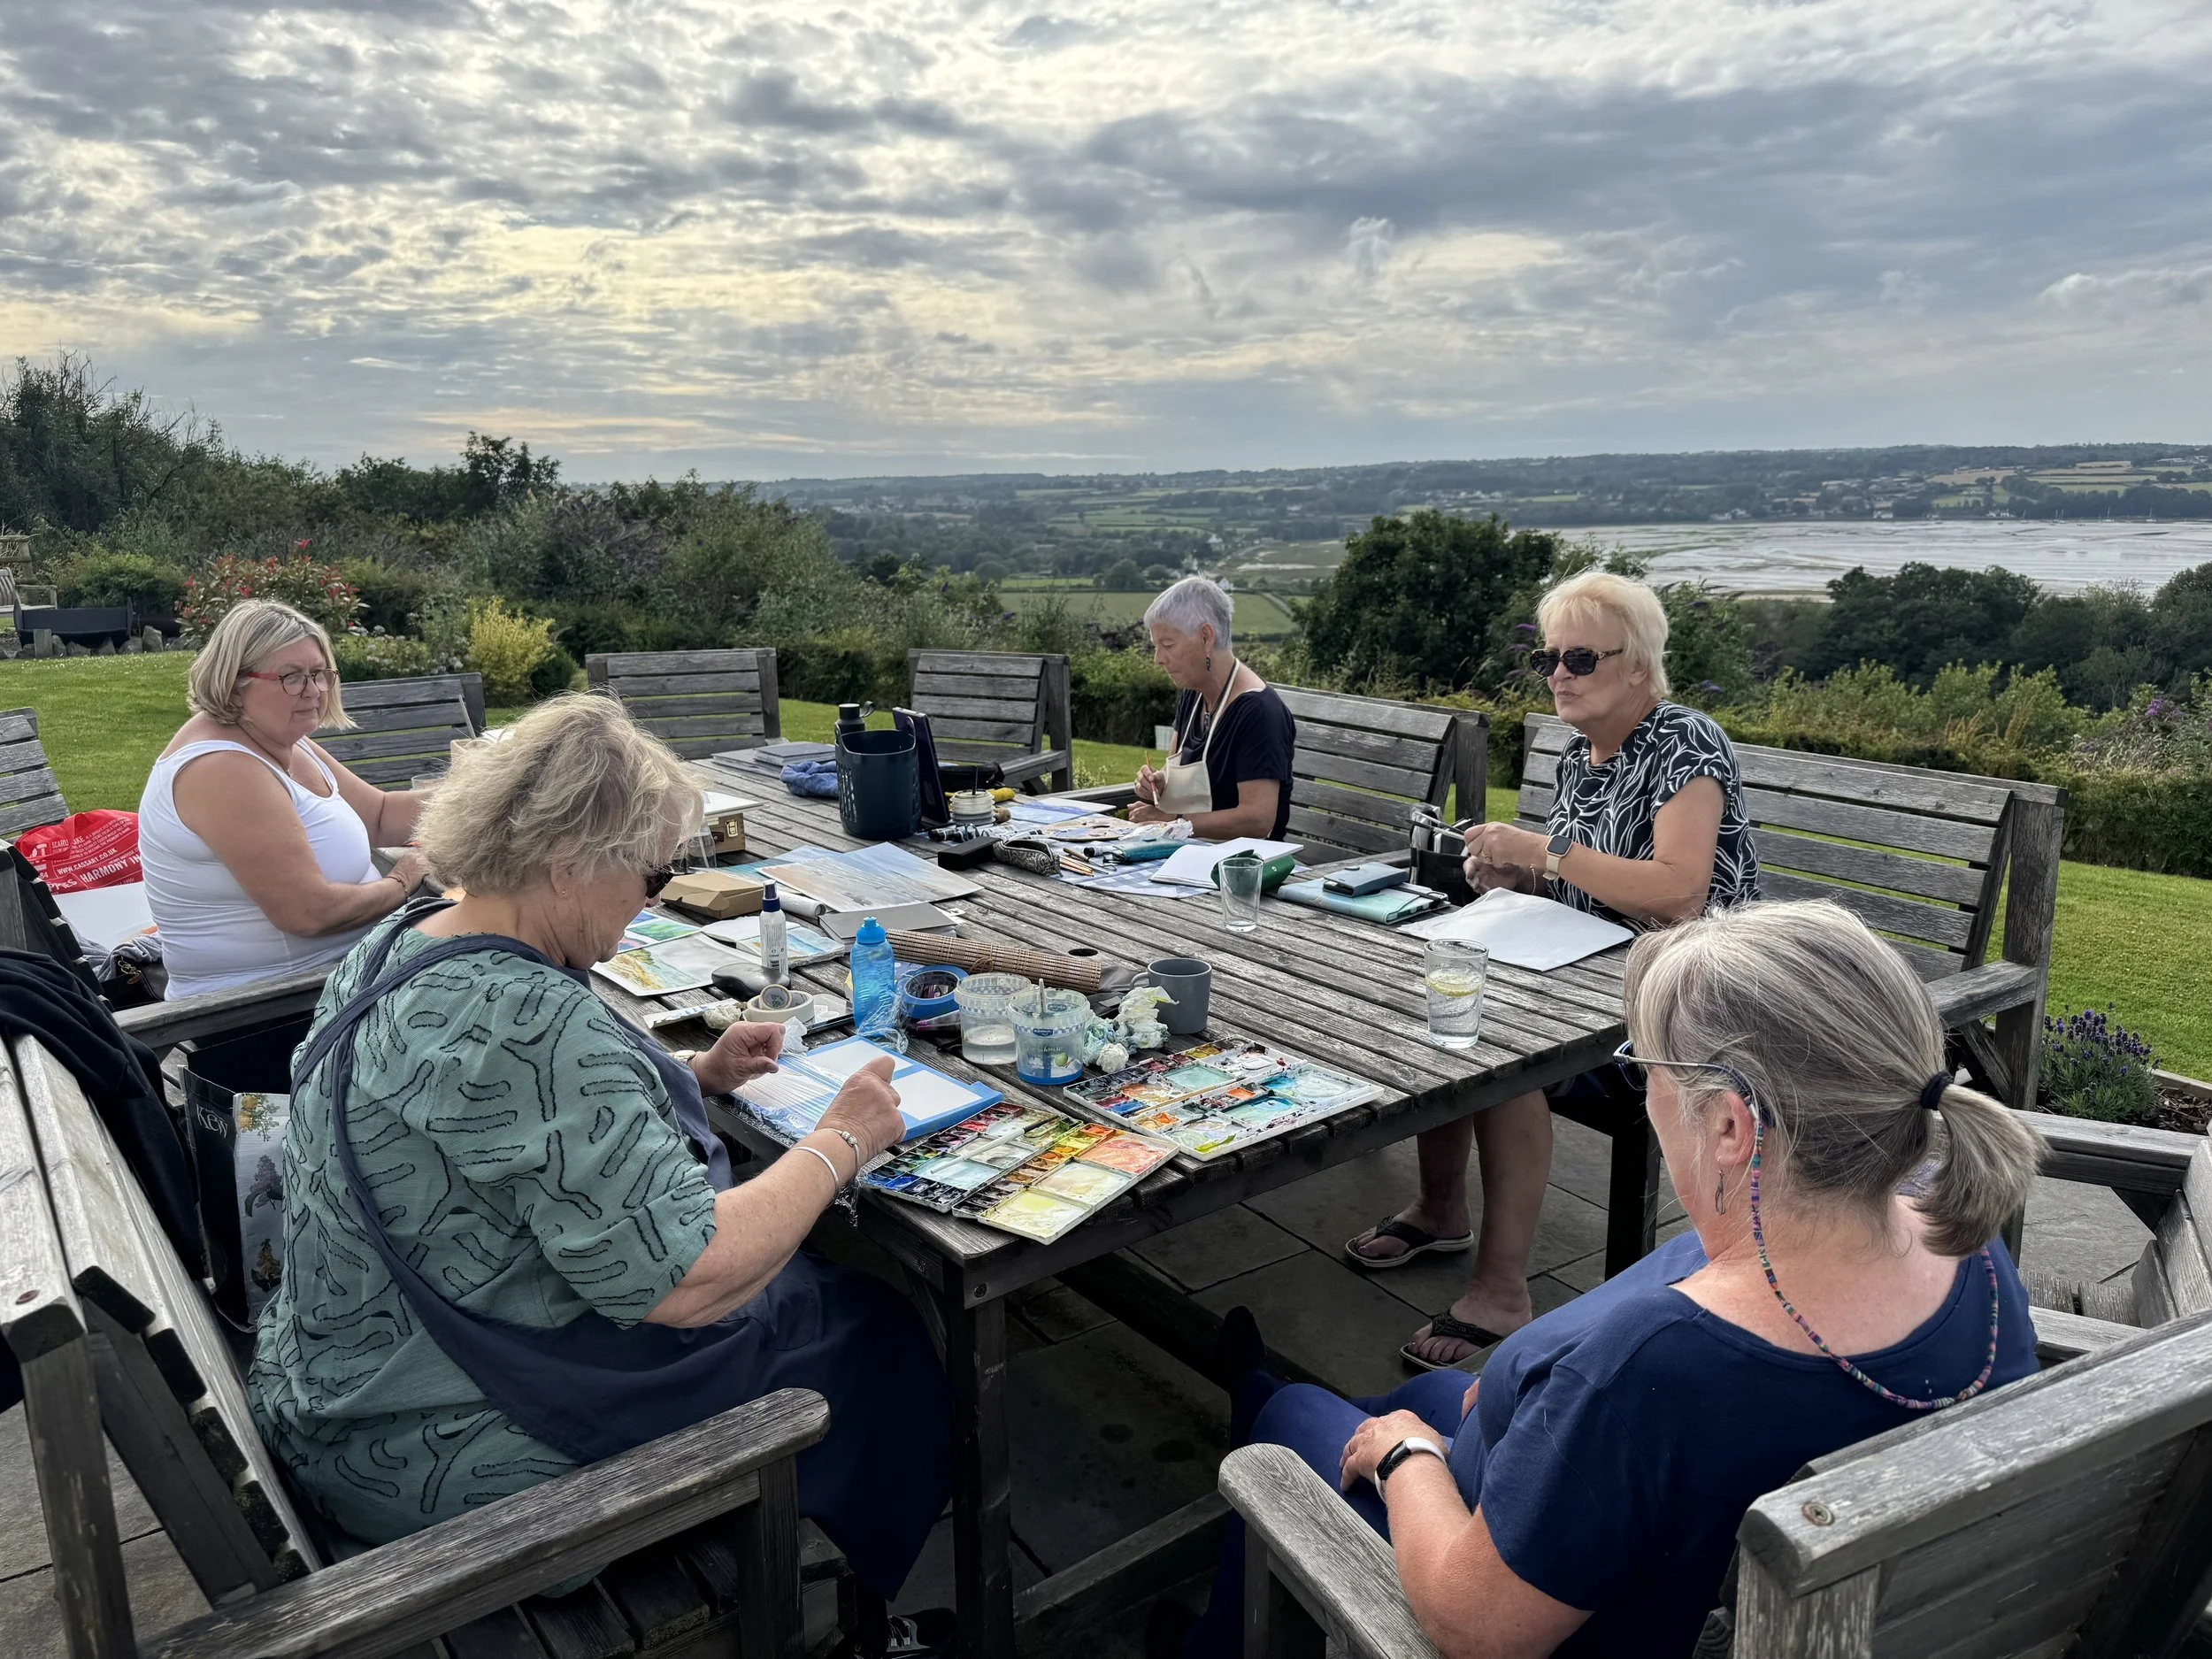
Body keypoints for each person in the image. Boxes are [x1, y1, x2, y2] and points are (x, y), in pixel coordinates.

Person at [1162, 899, 2043, 1659]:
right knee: (1439, 1395)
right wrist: (1514, 1398)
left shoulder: (1645, 1375)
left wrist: (1404, 1461)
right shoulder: (1959, 1235)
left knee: (1284, 1428)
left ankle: (1225, 1601)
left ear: (1731, 1126)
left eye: (1648, 1069)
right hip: (1612, 1511)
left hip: (1542, 1592)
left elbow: (1480, 1632)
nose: (1646, 1092)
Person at [248, 694, 950, 1624]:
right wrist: (843, 1140)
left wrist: (693, 1078)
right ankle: (877, 1614)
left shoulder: (400, 943)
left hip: (341, 1384)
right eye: (653, 876)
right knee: (871, 1326)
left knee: (819, 1290)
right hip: (449, 1446)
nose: (652, 898)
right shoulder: (532, 1020)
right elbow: (691, 1282)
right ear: (572, 860)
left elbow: (496, 1136)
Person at [1348, 570, 1763, 1368]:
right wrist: (1519, 877)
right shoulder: (1582, 755)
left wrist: (1542, 850)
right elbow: (1586, 875)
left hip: (1689, 1000)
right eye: (1548, 661)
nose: (1558, 676)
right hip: (1584, 971)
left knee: (1506, 1060)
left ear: (1638, 665)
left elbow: (1678, 893)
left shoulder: (1686, 742)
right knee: (1447, 997)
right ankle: (1441, 1208)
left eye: (1579, 658)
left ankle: (1503, 1290)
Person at [139, 600, 432, 998]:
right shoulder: (223, 769)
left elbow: (379, 817)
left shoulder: (280, 739)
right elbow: (310, 912)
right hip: (270, 1009)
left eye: (319, 674)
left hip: (339, 978)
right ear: (234, 682)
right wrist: (402, 881)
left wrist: (485, 791)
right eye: (292, 677)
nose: (314, 691)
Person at [1130, 575, 1296, 840]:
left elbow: (1258, 820)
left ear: (1206, 636)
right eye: (1156, 646)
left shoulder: (1259, 712)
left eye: (1168, 645)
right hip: (1187, 854)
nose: (1158, 659)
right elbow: (1178, 772)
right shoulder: (1192, 695)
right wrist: (1158, 783)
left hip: (1243, 868)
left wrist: (1171, 821)